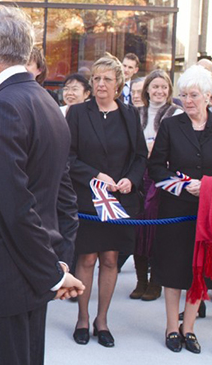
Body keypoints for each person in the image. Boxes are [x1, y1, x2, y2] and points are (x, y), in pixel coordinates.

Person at [0, 6, 83, 365]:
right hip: (24, 280)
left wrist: (53, 274)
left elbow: (15, 206)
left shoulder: (4, 107)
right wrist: (55, 268)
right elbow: (56, 200)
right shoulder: (45, 101)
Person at [66, 53, 147, 348]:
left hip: (118, 200)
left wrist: (130, 180)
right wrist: (94, 174)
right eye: (96, 78)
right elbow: (68, 157)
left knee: (111, 259)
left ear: (118, 85)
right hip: (88, 199)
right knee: (86, 257)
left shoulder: (129, 114)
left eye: (107, 79)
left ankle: (102, 319)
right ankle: (83, 318)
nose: (100, 84)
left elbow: (140, 156)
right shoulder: (76, 114)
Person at [148, 64, 212, 354]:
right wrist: (181, 185)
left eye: (194, 95)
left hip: (206, 211)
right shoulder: (172, 125)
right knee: (173, 268)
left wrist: (207, 185)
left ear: (208, 97)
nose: (187, 101)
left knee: (197, 270)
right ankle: (172, 327)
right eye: (184, 95)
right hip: (175, 209)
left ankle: (190, 329)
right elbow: (156, 166)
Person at [129, 70, 182, 303]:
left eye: (164, 87)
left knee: (156, 230)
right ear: (147, 89)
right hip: (139, 176)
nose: (159, 91)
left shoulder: (176, 114)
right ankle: (141, 280)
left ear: (169, 90)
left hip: (162, 179)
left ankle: (155, 282)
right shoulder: (135, 113)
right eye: (155, 86)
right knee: (138, 228)